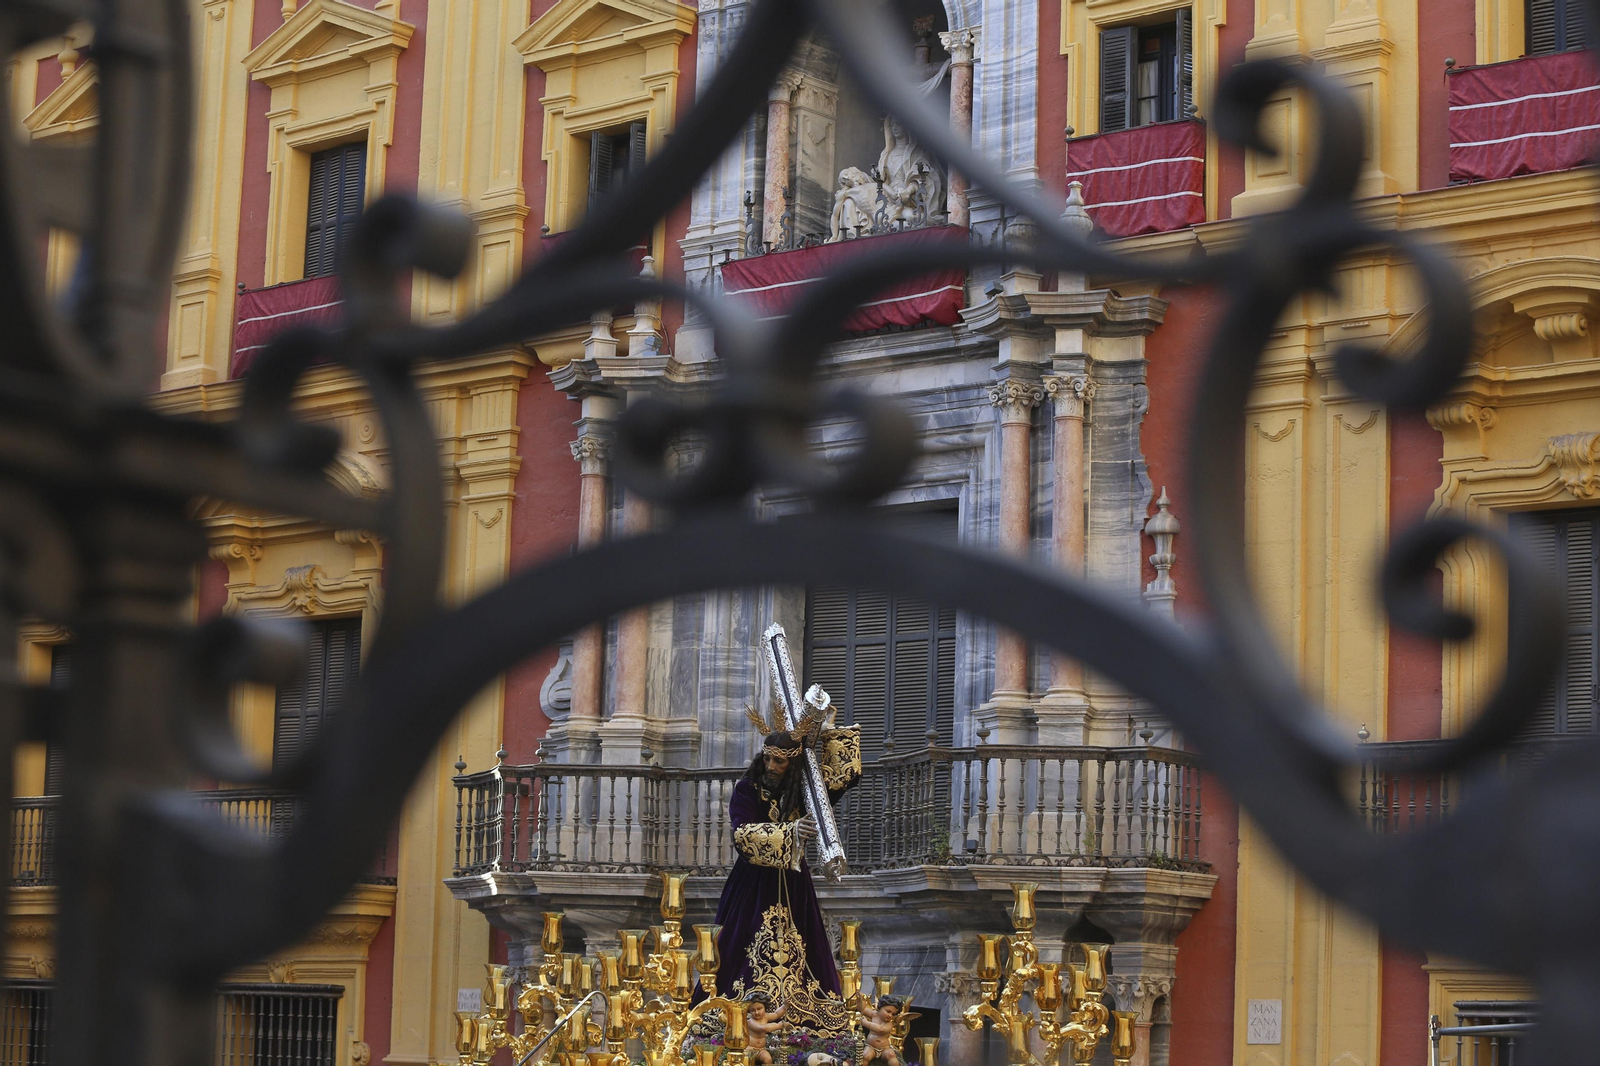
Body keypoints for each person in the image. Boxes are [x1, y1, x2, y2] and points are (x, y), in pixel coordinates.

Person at [700, 719, 862, 1034]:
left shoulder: (803, 792)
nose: (772, 766)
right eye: (768, 758)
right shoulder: (747, 789)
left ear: (793, 762)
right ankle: (731, 1018)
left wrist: (830, 734)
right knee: (738, 945)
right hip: (753, 883)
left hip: (794, 882)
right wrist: (790, 831)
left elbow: (844, 777)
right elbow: (741, 834)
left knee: (806, 947)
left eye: (780, 760)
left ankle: (806, 1020)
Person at [857, 997, 905, 1066]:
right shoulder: (874, 1014)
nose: (890, 1015)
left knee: (891, 1055)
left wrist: (866, 1023)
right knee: (865, 1056)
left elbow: (880, 1029)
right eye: (888, 1011)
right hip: (871, 1046)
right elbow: (862, 1009)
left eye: (893, 1014)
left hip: (884, 1048)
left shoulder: (889, 1024)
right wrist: (859, 999)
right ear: (880, 1008)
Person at [745, 993, 788, 1066]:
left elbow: (777, 1014)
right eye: (753, 1010)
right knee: (746, 1061)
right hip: (749, 1049)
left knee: (768, 1059)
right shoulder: (750, 1022)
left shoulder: (766, 1017)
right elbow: (763, 1028)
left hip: (761, 1050)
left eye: (759, 1008)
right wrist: (778, 1025)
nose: (757, 1012)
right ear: (749, 1011)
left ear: (765, 1007)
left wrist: (784, 1006)